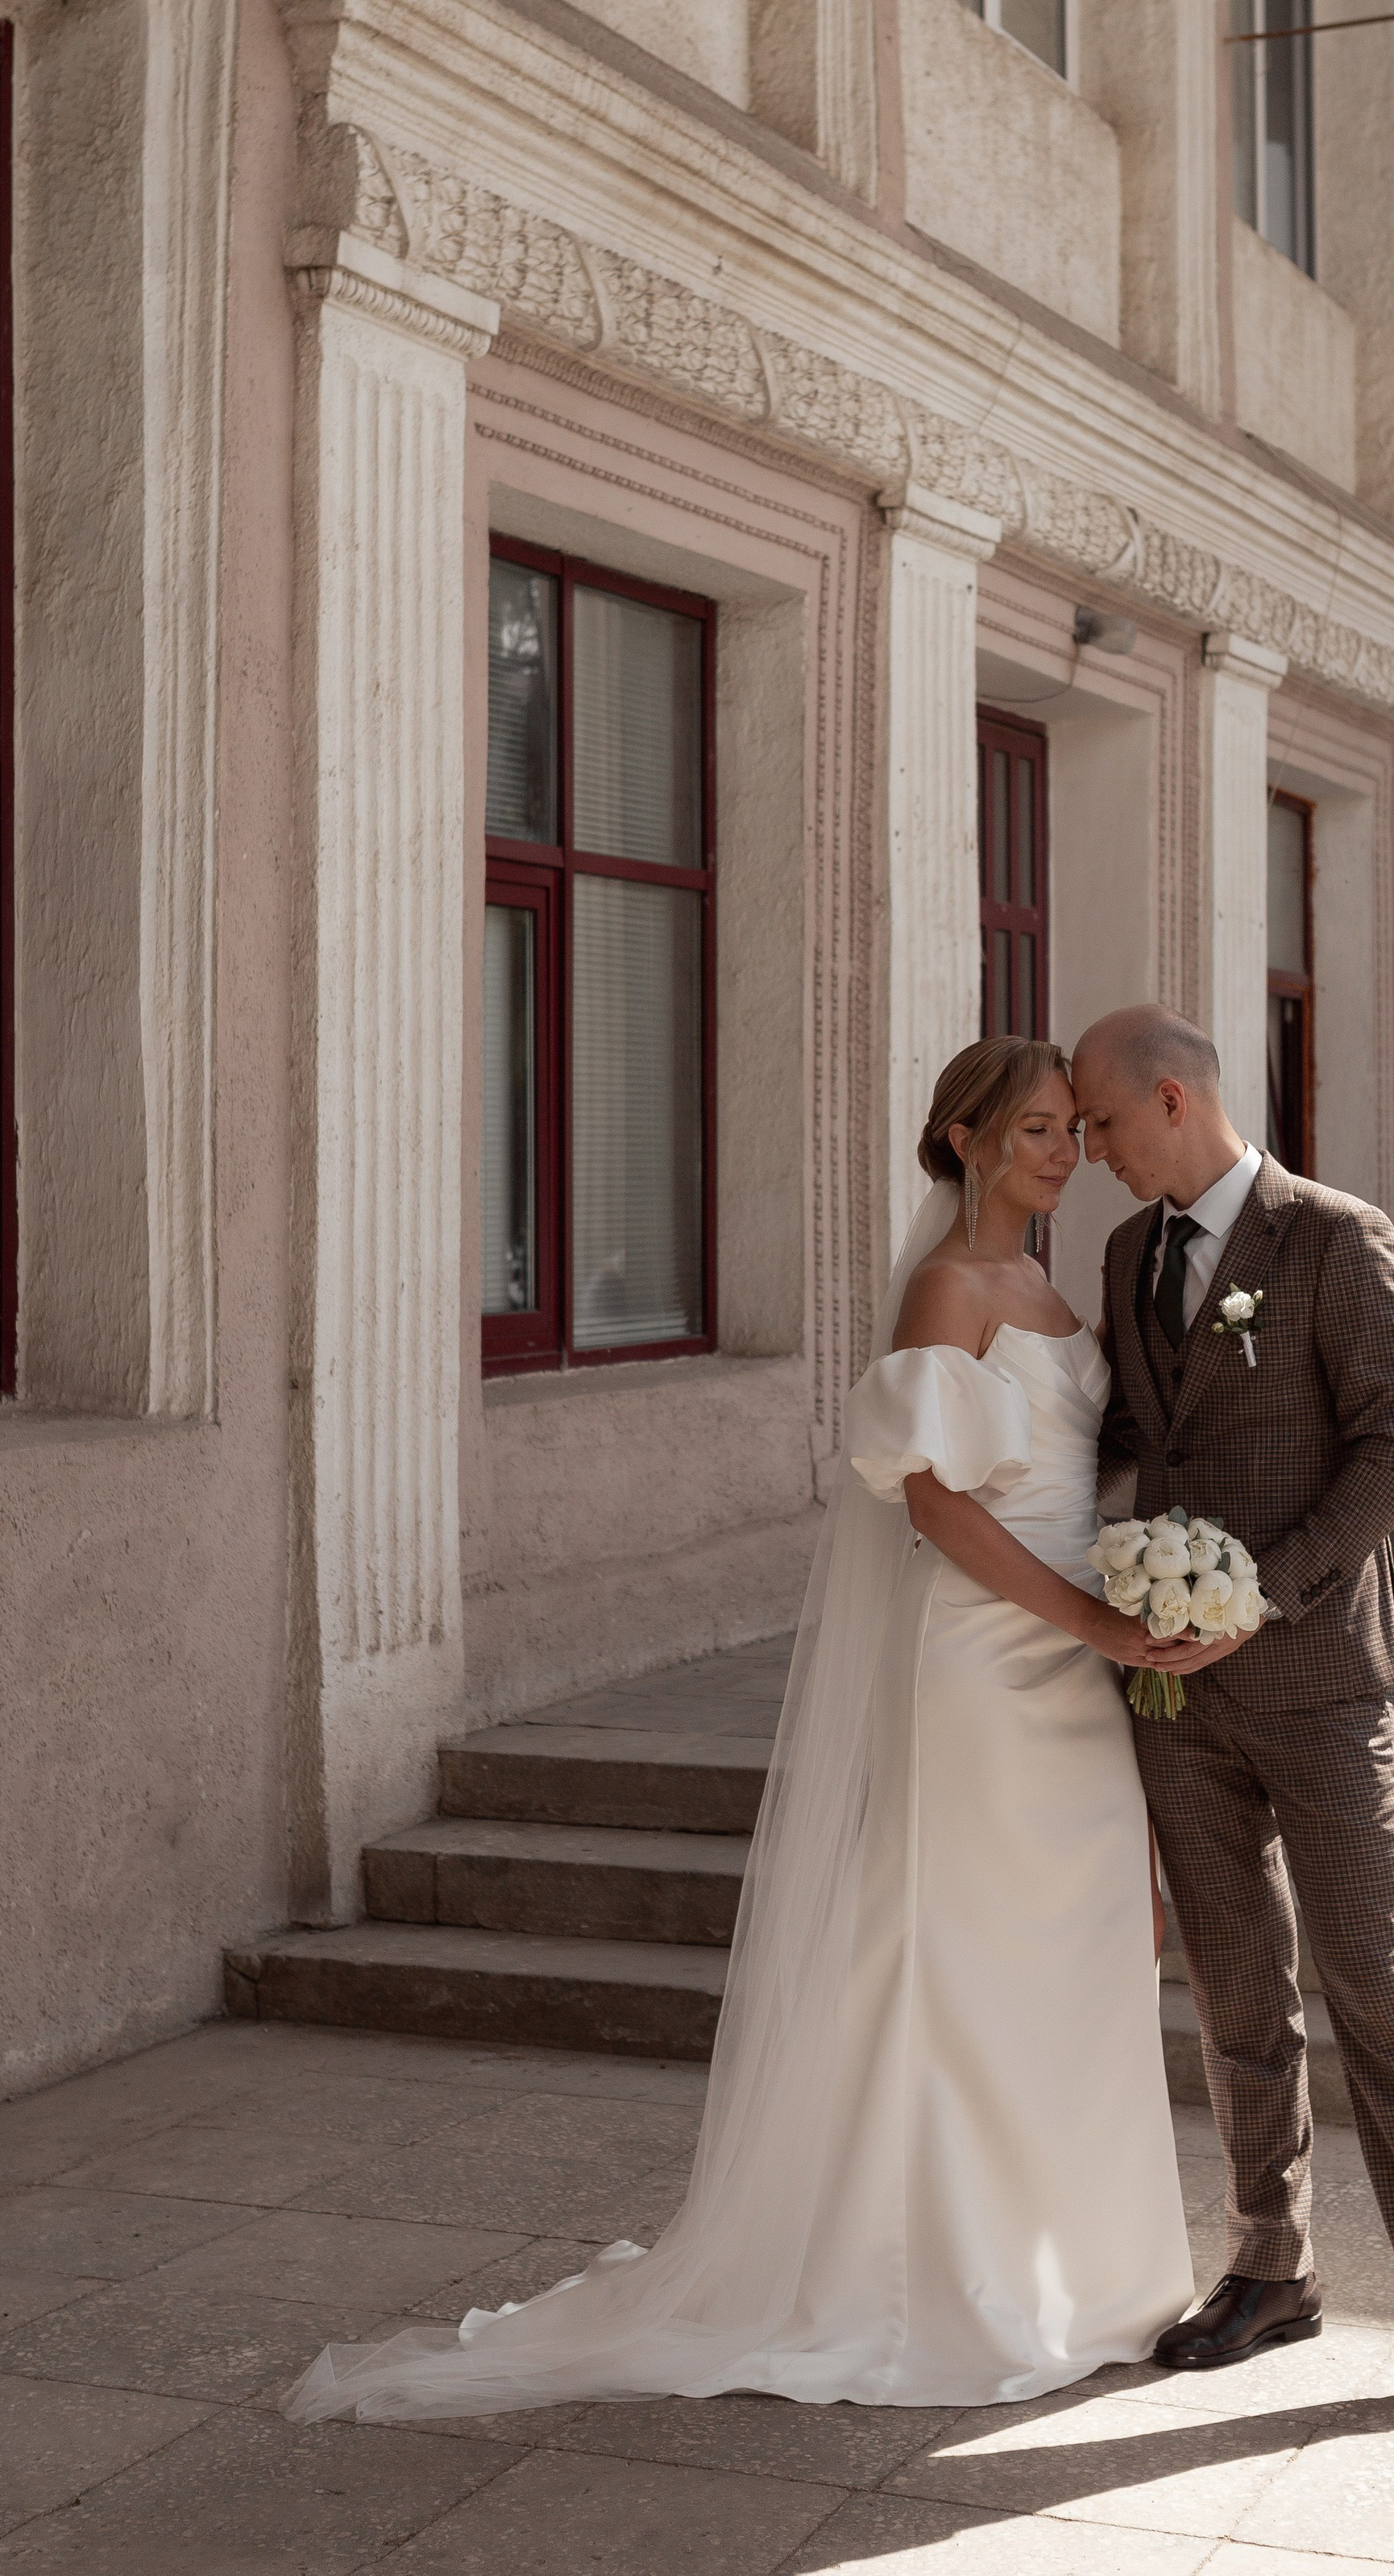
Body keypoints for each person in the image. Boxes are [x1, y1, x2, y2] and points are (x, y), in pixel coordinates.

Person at [284, 1035, 1193, 2421]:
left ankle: (1068, 2265)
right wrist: (1105, 1623)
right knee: (955, 1950)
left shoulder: (1051, 1287)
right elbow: (940, 1511)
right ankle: (936, 2278)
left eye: (1073, 1130)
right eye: (1034, 1134)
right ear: (961, 1142)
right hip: (988, 1663)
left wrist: (1128, 1605)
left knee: (1063, 1951)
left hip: (1073, 1657)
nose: (1064, 1155)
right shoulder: (947, 1289)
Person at [1071, 1002, 1394, 2452]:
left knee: (1373, 1985)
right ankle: (1272, 2268)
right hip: (1169, 1692)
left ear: (1167, 1100)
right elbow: (1136, 1443)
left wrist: (1255, 1597)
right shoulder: (1124, 1253)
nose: (1084, 1150)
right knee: (1232, 1987)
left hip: (1320, 1680)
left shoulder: (1336, 1236)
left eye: (1095, 1122)